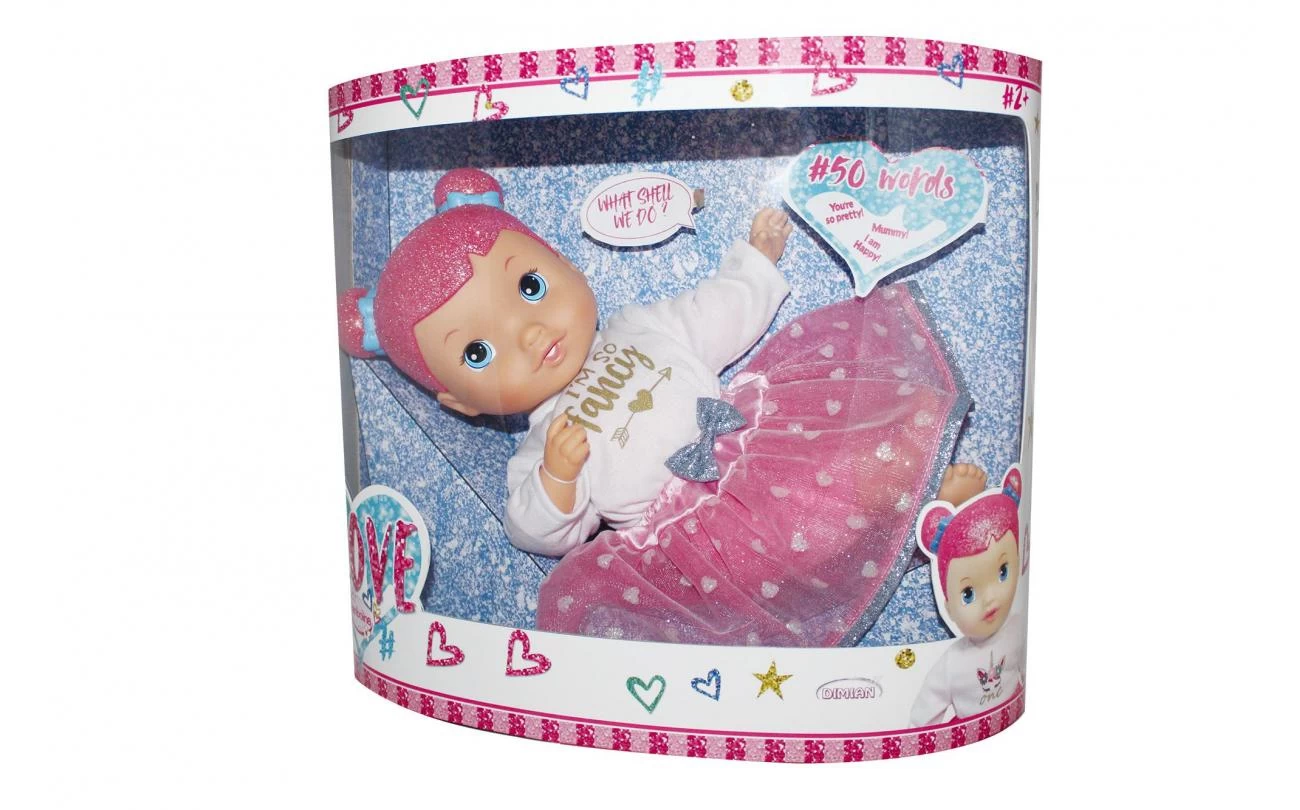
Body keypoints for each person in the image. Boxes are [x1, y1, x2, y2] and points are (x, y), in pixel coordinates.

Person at [340, 167, 979, 647]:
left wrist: (755, 262)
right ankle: (905, 527)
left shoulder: (636, 327)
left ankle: (918, 502)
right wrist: (558, 479)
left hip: (757, 448)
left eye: (531, 287)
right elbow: (529, 529)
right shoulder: (541, 447)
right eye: (479, 351)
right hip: (698, 542)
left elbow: (714, 315)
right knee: (761, 580)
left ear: (561, 262)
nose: (530, 334)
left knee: (844, 463)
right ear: (459, 403)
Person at [909, 465, 1026, 725]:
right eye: (968, 594)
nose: (990, 599)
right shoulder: (952, 662)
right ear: (949, 607)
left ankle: (963, 507)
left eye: (1003, 572)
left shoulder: (1016, 626)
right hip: (967, 730)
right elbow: (923, 717)